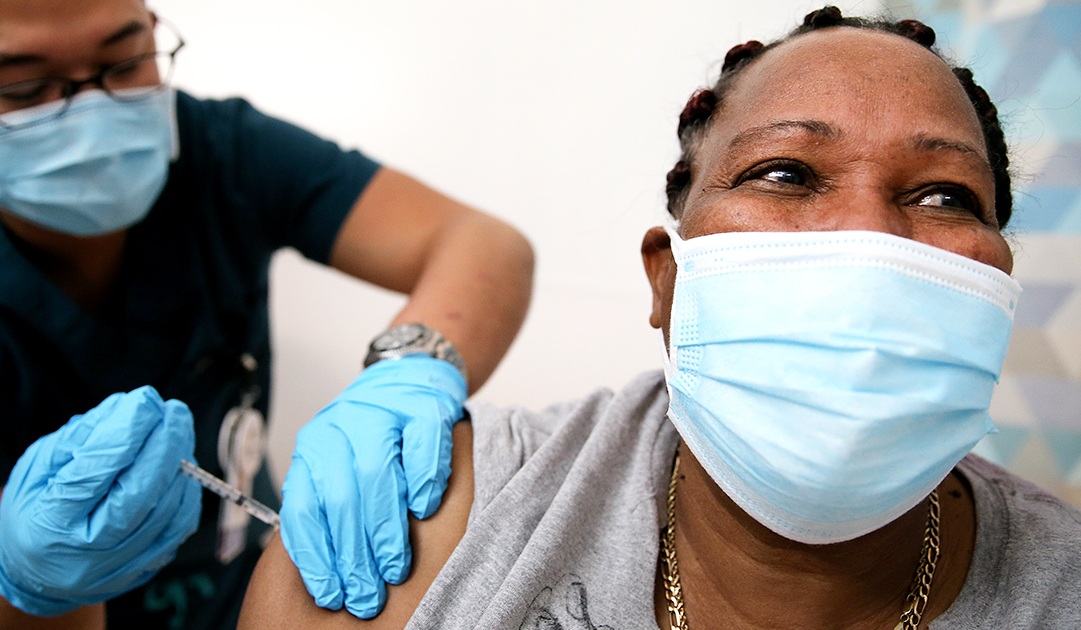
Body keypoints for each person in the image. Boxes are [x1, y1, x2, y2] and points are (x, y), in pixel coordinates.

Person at [237, 7, 1081, 629]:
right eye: (786, 173)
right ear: (667, 283)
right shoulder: (423, 527)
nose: (866, 235)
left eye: (943, 195)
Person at [0, 0, 534, 628]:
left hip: (251, 575)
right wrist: (34, 587)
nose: (92, 112)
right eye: (22, 89)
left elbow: (482, 243)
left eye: (126, 59)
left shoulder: (217, 149)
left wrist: (410, 371)